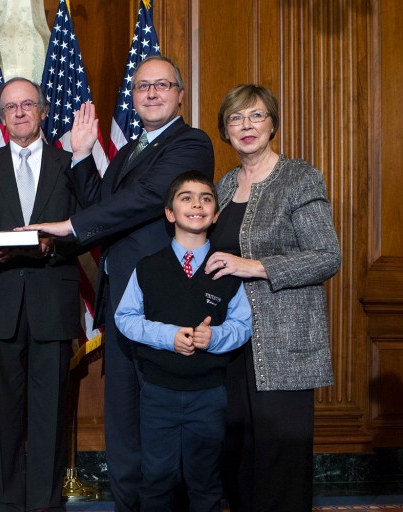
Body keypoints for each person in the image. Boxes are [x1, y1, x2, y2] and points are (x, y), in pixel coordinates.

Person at [21, 55, 215, 511]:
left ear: (179, 94)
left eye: (162, 85)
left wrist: (70, 225)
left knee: (162, 422)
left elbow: (146, 199)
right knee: (123, 419)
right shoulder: (129, 151)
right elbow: (100, 208)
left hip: (165, 304)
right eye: (143, 86)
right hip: (122, 302)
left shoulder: (191, 143)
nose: (151, 93)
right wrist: (83, 154)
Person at [205, 84, 341, 512]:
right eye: (235, 118)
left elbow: (327, 256)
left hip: (283, 342)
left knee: (279, 458)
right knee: (237, 452)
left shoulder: (299, 177)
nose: (246, 126)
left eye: (256, 116)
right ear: (225, 130)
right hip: (229, 343)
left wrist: (256, 266)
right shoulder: (224, 185)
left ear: (273, 124)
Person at [0, 77, 81, 512]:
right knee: (5, 417)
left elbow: (86, 228)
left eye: (29, 104)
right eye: (11, 107)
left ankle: (46, 505)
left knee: (49, 415)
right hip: (0, 305)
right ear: (1, 116)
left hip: (52, 303)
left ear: (44, 111)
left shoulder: (70, 164)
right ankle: (7, 503)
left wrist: (55, 243)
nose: (21, 112)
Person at [114, 171, 251, 512]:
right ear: (170, 212)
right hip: (158, 392)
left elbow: (242, 324)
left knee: (205, 481)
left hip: (210, 395)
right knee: (157, 477)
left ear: (215, 215)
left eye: (206, 199)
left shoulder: (226, 270)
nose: (196, 204)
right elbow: (125, 318)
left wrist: (215, 337)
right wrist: (167, 336)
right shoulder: (147, 268)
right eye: (186, 197)